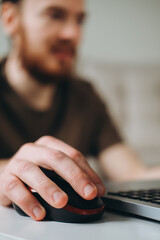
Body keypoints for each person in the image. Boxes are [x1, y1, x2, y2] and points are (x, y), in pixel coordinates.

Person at [0, 0, 160, 221]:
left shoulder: (85, 95)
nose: (72, 33)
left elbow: (133, 173)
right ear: (10, 18)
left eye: (79, 20)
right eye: (55, 15)